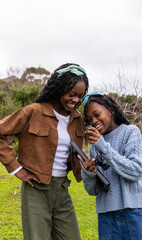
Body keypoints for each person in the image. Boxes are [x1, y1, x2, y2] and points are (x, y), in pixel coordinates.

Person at [0, 63, 89, 240]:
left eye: (80, 96)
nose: (75, 100)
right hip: (36, 190)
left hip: (62, 189)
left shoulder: (77, 119)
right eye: (71, 94)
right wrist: (17, 169)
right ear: (58, 89)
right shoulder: (34, 111)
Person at [79, 93, 142, 240]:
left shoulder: (130, 132)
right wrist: (89, 173)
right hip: (106, 218)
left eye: (97, 115)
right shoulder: (95, 145)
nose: (94, 121)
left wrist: (103, 147)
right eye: (89, 120)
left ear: (111, 110)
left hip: (133, 213)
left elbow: (135, 171)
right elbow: (93, 190)